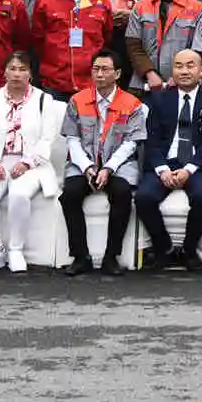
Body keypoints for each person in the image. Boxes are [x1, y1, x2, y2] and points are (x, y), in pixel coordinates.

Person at [0, 51, 63, 272]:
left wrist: (26, 163)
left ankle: (16, 249)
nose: (16, 74)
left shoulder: (44, 100)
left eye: (22, 69)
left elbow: (47, 139)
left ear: (30, 74)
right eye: (12, 69)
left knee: (19, 194)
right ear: (4, 72)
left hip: (31, 163)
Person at [135, 48, 202, 271]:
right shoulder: (159, 99)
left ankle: (189, 250)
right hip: (166, 162)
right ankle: (164, 247)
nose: (184, 71)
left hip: (197, 164)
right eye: (178, 66)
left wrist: (190, 169)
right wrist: (162, 169)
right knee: (144, 198)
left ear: (201, 71)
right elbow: (151, 139)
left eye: (190, 66)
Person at [58, 50, 145, 276]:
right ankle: (80, 256)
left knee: (122, 193)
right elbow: (72, 140)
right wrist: (87, 167)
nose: (99, 74)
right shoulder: (77, 100)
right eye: (96, 69)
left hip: (118, 165)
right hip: (84, 163)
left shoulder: (132, 103)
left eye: (105, 69)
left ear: (117, 74)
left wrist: (108, 168)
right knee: (69, 195)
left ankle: (111, 257)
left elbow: (131, 143)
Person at [30, 0, 115, 98]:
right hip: (54, 83)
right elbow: (38, 39)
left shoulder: (102, 1)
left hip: (91, 83)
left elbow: (107, 37)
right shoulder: (45, 1)